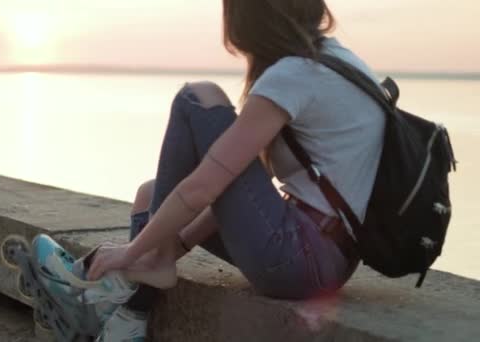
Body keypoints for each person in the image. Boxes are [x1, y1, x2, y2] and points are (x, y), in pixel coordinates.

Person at [81, 0, 386, 340]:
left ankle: (121, 292)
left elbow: (203, 188)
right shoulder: (339, 62)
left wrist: (133, 252)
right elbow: (238, 192)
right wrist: (173, 246)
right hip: (327, 259)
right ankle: (131, 318)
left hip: (299, 259)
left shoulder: (295, 74)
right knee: (149, 195)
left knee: (196, 97)